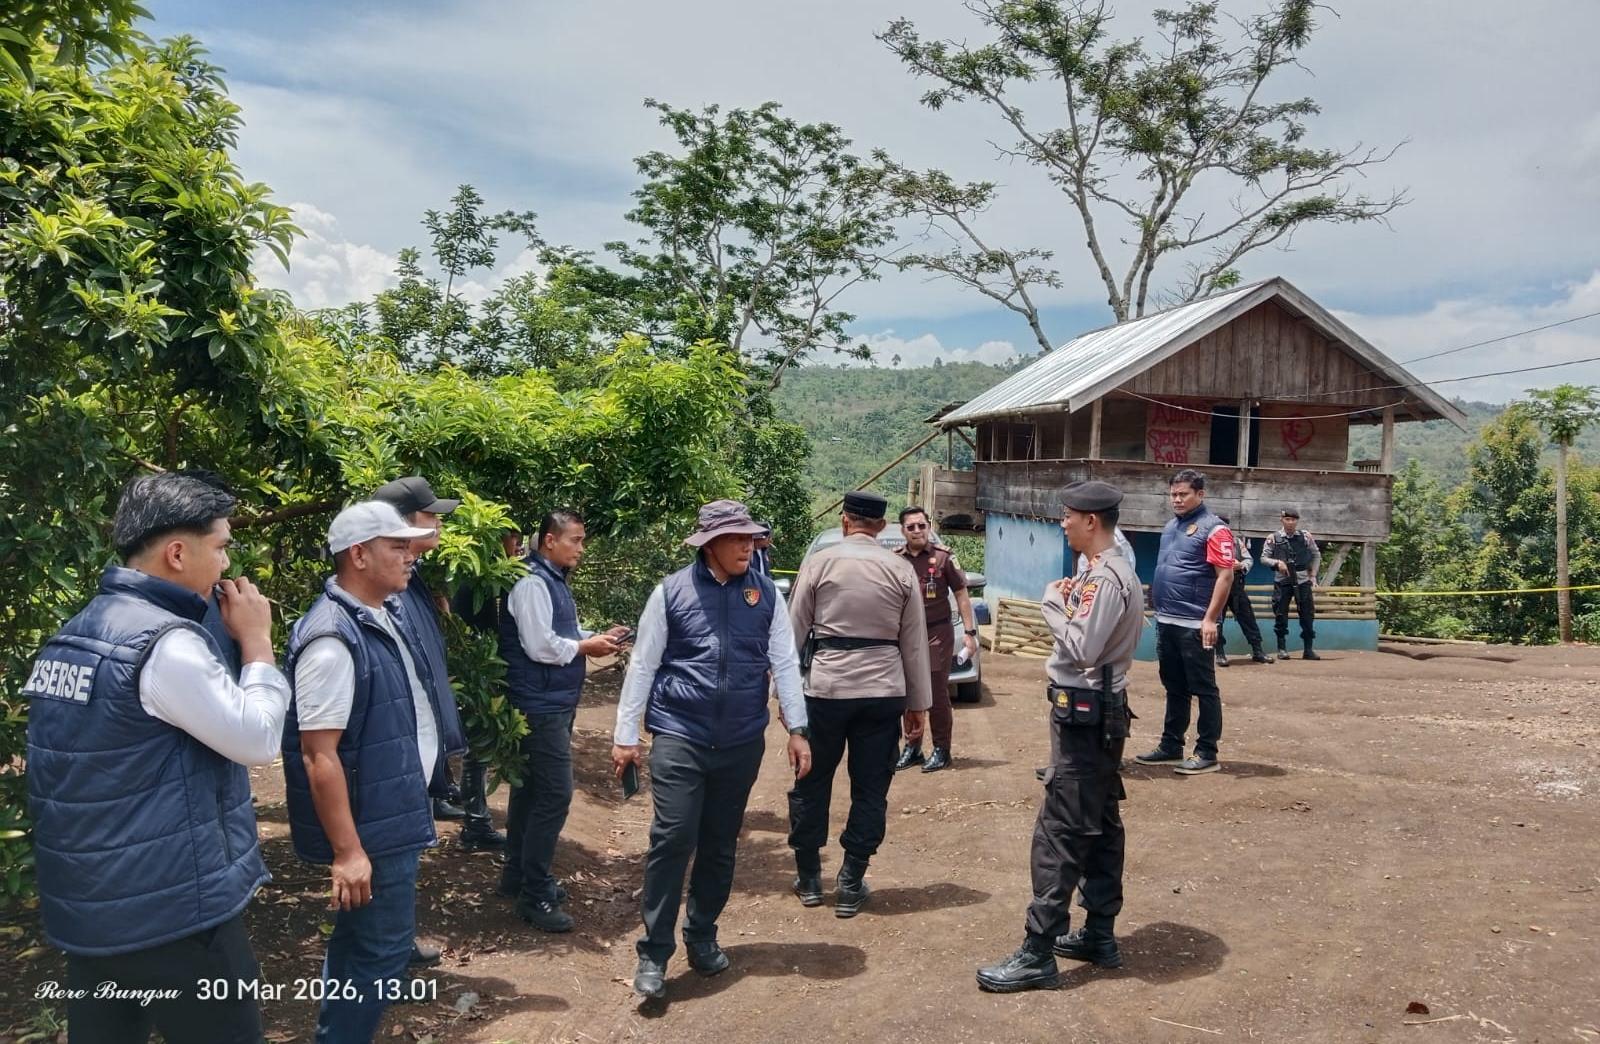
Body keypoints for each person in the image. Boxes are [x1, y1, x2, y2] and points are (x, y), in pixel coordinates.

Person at [23, 472, 288, 1043]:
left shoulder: (75, 634)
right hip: (175, 921)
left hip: (93, 915)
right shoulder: (165, 645)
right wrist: (258, 643)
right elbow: (259, 739)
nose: (224, 565)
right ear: (176, 552)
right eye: (219, 547)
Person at [612, 500, 812, 1000]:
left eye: (751, 538)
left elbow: (785, 662)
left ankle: (701, 935)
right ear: (710, 545)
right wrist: (625, 735)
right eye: (737, 538)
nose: (749, 545)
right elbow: (642, 664)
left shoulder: (764, 594)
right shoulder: (671, 592)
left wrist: (797, 726)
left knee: (721, 842)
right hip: (680, 733)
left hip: (741, 739)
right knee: (674, 837)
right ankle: (654, 954)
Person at [282, 501, 444, 1043]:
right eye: (397, 547)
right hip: (373, 828)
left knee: (360, 945)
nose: (410, 557)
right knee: (380, 951)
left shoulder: (378, 614)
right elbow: (317, 755)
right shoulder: (332, 640)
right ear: (358, 554)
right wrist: (350, 853)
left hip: (390, 808)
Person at [976, 481, 1142, 992]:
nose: (1063, 523)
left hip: (1087, 718)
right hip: (1096, 715)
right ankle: (1098, 933)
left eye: (1068, 516)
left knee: (1060, 830)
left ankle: (1038, 951)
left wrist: (1051, 602)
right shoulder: (1107, 567)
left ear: (1091, 521)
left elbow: (1083, 647)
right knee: (1099, 823)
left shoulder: (1106, 576)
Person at [786, 490, 931, 917]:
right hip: (882, 691)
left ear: (845, 521)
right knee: (870, 787)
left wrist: (785, 697)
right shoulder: (901, 569)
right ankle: (850, 881)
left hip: (826, 689)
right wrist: (917, 705)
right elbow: (915, 643)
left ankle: (810, 877)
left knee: (812, 781)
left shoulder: (819, 563)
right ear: (882, 527)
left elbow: (791, 634)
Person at [498, 508, 628, 932]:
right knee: (554, 795)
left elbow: (560, 631)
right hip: (539, 704)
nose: (580, 549)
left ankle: (517, 875)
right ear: (549, 541)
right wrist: (585, 647)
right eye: (574, 540)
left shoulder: (549, 580)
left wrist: (594, 637)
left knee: (531, 790)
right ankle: (534, 892)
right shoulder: (533, 582)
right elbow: (541, 646)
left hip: (549, 700)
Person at [372, 477, 504, 852]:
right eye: (431, 515)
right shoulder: (387, 594)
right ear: (404, 523)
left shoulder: (410, 580)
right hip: (396, 768)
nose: (440, 523)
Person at [1135, 469, 1235, 776]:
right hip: (1167, 619)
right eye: (1173, 494)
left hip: (1195, 623)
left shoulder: (1214, 529)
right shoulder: (1170, 527)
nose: (1177, 500)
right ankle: (1171, 745)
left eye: (1184, 494)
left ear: (1200, 495)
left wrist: (1210, 619)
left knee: (1204, 688)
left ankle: (1207, 751)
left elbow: (1225, 575)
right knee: (1174, 685)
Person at [892, 506, 977, 773]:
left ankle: (942, 749)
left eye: (921, 525)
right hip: (905, 634)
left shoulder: (943, 559)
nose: (917, 531)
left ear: (929, 526)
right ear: (903, 530)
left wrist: (970, 632)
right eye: (911, 527)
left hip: (936, 633)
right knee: (907, 690)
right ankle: (913, 747)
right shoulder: (895, 560)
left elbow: (962, 594)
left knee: (935, 691)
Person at [1260, 507, 1322, 661]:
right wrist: (1277, 562)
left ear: (1297, 521)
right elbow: (1263, 558)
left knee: (1307, 614)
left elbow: (1316, 555)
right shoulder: (1273, 538)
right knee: (1281, 615)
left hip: (1302, 580)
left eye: (1293, 520)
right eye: (1287, 519)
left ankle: (1308, 649)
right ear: (1282, 520)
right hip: (1283, 580)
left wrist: (1313, 575)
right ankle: (1282, 649)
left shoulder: (1305, 536)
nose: (1290, 522)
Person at [1213, 515, 1270, 667]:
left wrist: (1241, 566)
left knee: (1248, 618)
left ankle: (1258, 651)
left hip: (1236, 586)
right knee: (1217, 621)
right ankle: (1219, 653)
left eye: (1223, 526)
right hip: (1217, 586)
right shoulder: (1208, 542)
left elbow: (1248, 559)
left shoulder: (1236, 542)